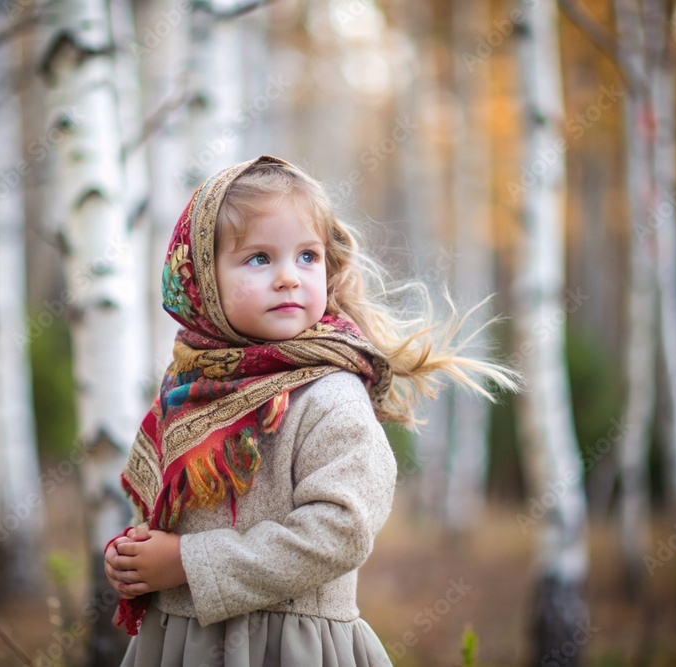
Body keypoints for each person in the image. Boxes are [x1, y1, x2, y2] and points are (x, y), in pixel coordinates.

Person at [103, 155, 518, 666]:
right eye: (259, 258)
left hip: (290, 646)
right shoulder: (187, 389)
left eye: (307, 256)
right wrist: (136, 557)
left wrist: (190, 563)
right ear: (201, 283)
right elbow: (165, 505)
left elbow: (341, 531)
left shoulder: (329, 393)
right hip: (183, 645)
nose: (288, 278)